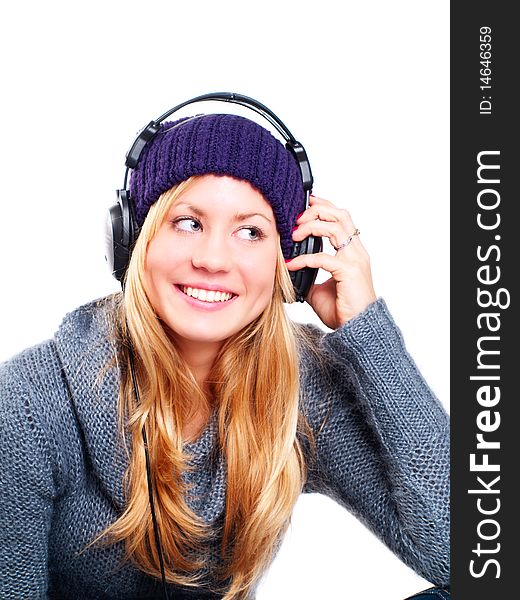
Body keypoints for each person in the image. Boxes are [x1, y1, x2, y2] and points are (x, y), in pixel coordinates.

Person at [0, 109, 450, 600]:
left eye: (250, 232)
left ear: (288, 265)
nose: (212, 259)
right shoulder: (28, 403)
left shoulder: (300, 387)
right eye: (188, 223)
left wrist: (368, 333)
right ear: (133, 241)